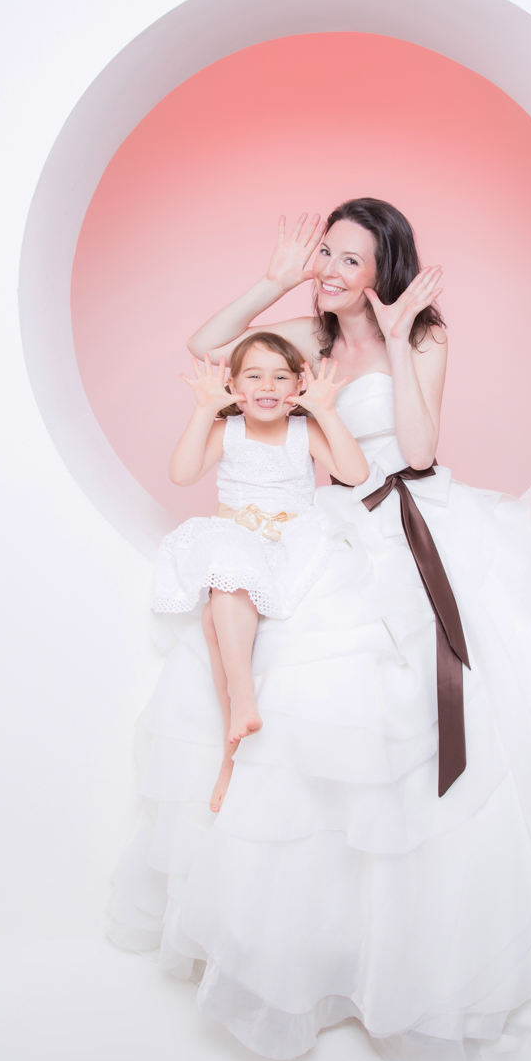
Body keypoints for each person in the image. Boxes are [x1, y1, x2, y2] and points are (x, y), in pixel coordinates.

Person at [109, 200, 531, 1061]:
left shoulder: (428, 334)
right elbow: (208, 345)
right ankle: (331, 943)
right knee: (322, 699)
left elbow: (418, 446)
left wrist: (402, 341)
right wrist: (275, 280)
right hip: (332, 520)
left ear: (385, 269)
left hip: (416, 513)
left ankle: (438, 947)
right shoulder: (309, 333)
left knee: (474, 688)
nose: (330, 271)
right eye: (325, 253)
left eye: (349, 260)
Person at [153, 331, 368, 812]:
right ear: (233, 385)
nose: (267, 385)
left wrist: (327, 411)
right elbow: (182, 474)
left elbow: (356, 475)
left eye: (280, 376)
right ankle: (239, 717)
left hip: (290, 544)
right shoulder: (226, 430)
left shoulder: (304, 431)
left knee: (216, 617)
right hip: (237, 541)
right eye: (253, 375)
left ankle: (233, 743)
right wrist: (204, 409)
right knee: (224, 580)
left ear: (298, 386)